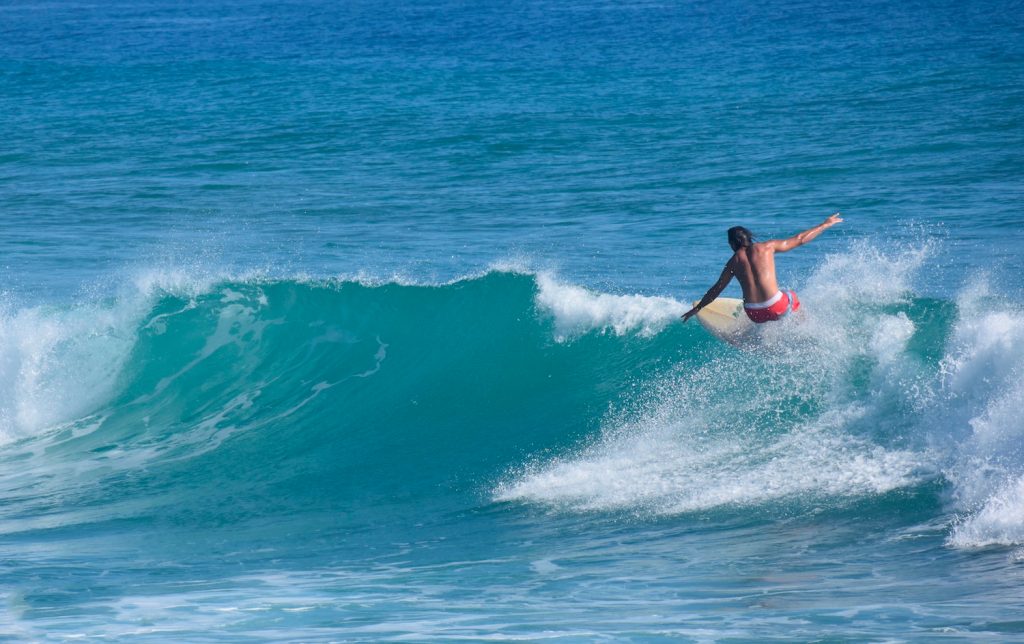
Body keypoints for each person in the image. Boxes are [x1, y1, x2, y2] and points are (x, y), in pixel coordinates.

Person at [681, 213, 843, 324]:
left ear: (732, 244)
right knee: (791, 295)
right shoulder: (767, 247)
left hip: (754, 313)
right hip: (776, 307)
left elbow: (717, 289)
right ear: (749, 237)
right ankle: (805, 329)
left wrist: (698, 308)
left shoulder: (732, 262)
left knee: (761, 312)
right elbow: (800, 239)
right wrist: (824, 225)